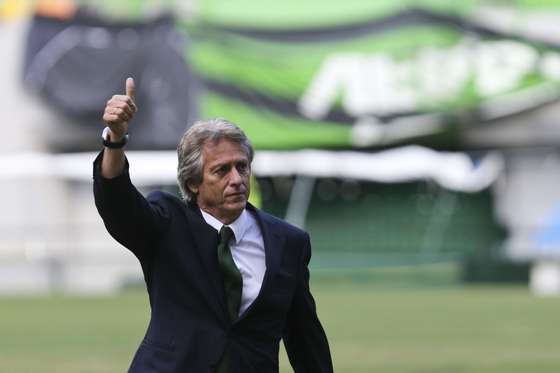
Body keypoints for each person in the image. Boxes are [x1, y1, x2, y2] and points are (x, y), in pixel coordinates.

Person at [93, 77, 334, 373]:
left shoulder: (288, 243)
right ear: (193, 183)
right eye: (221, 170)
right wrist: (115, 138)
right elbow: (116, 203)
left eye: (242, 167)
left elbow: (305, 339)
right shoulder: (166, 224)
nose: (236, 179)